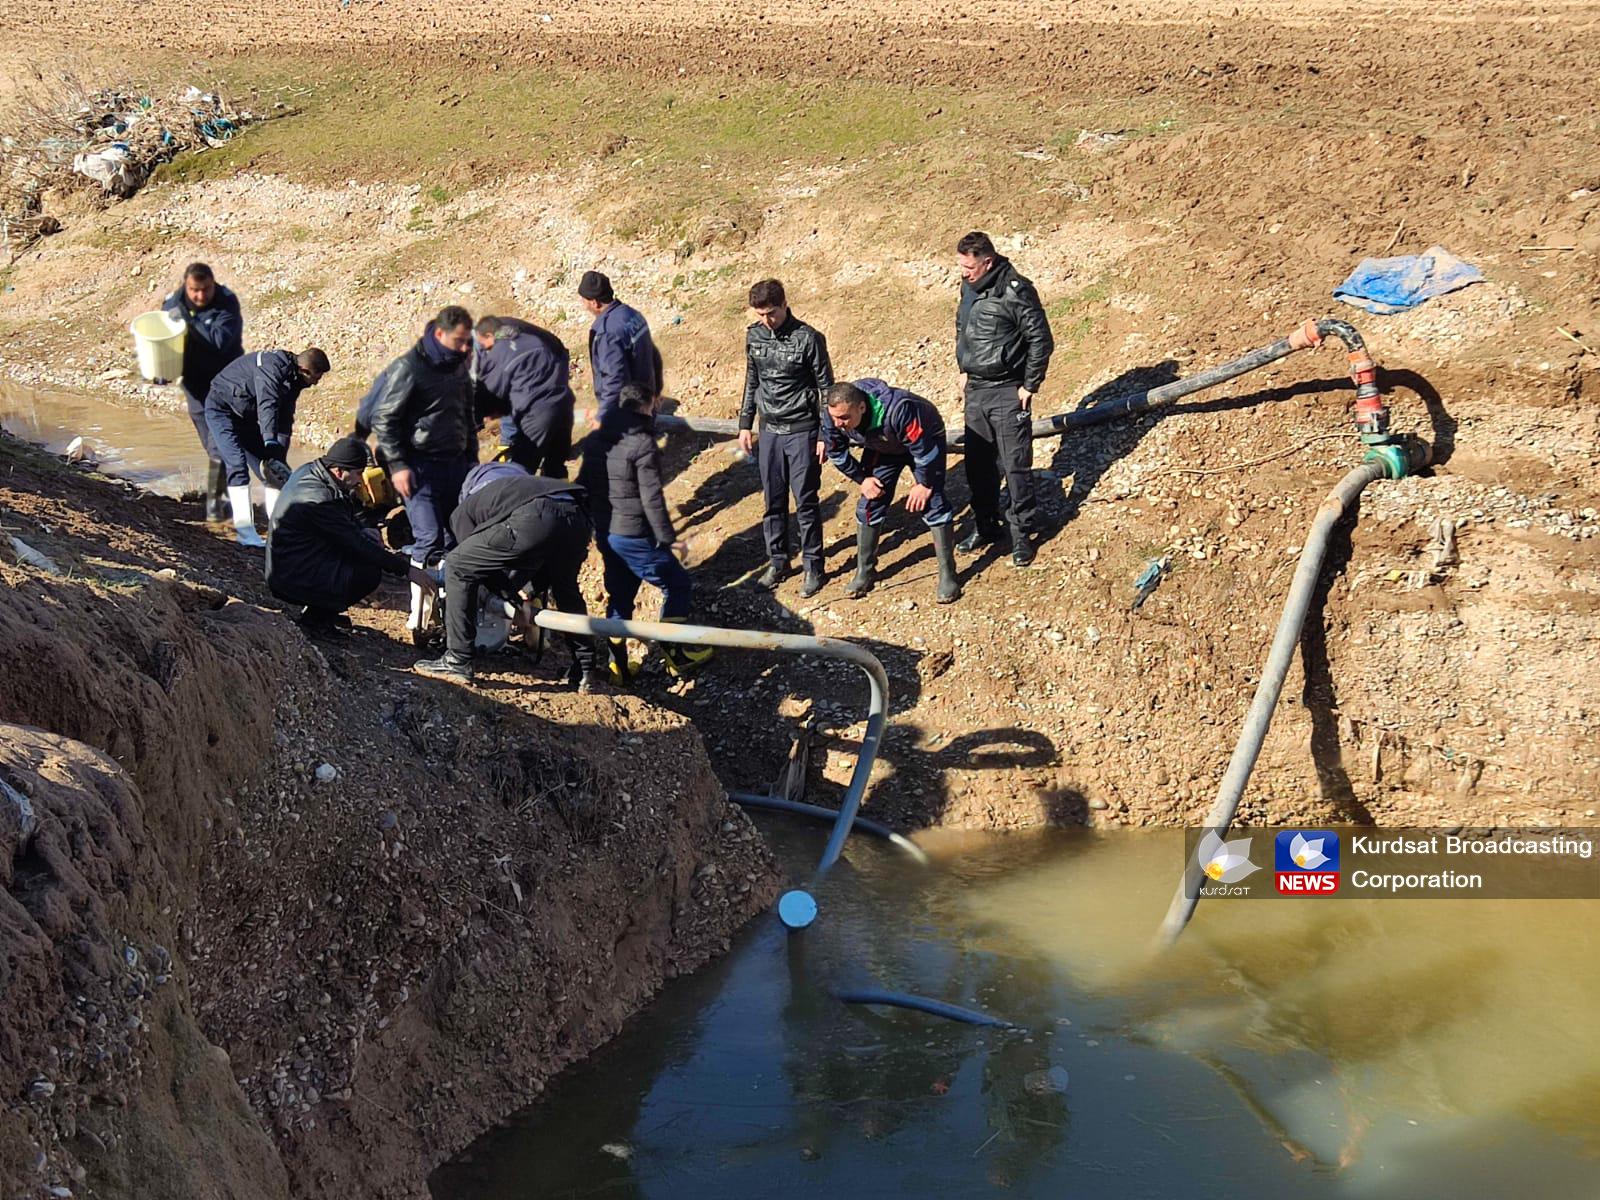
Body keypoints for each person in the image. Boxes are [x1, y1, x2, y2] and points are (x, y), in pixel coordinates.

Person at [413, 463, 605, 692]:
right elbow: (541, 566)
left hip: (536, 514)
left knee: (456, 565)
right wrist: (523, 594)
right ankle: (584, 669)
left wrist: (510, 596)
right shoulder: (519, 487)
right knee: (565, 588)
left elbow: (472, 570)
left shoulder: (463, 511)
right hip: (578, 516)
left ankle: (457, 660)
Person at [579, 383, 712, 683]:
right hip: (635, 535)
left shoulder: (595, 440)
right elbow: (651, 498)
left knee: (620, 595)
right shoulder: (641, 444)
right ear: (645, 408)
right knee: (677, 584)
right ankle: (675, 653)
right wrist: (666, 537)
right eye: (653, 407)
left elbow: (584, 487)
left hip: (606, 534)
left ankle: (619, 667)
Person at [369, 306, 479, 641]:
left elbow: (468, 417)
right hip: (418, 466)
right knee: (428, 539)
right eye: (459, 342)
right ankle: (416, 619)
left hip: (455, 464)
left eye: (467, 343)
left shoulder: (460, 370)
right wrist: (397, 465)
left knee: (455, 539)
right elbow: (384, 420)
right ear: (439, 336)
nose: (464, 349)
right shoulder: (410, 369)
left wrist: (472, 463)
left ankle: (449, 619)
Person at [264, 436, 435, 634]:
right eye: (358, 473)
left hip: (291, 561)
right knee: (366, 572)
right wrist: (407, 570)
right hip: (289, 576)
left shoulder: (311, 470)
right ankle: (316, 621)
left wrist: (362, 529)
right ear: (338, 471)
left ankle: (320, 611)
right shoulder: (320, 500)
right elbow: (356, 545)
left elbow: (342, 519)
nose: (360, 480)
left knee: (356, 555)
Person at [953, 230, 1054, 567]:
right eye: (962, 267)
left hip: (1008, 390)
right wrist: (963, 366)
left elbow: (1041, 339)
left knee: (1015, 466)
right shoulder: (968, 287)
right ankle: (985, 525)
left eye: (969, 267)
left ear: (988, 261)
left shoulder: (1016, 289)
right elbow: (962, 326)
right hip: (976, 390)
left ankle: (1022, 532)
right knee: (978, 466)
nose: (964, 273)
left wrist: (1029, 385)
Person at [823, 379, 961, 604]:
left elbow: (924, 452)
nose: (839, 423)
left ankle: (948, 574)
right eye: (835, 418)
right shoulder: (833, 414)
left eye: (845, 418)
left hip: (925, 439)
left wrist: (924, 484)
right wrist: (862, 479)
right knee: (870, 503)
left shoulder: (899, 410)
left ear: (861, 407)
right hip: (882, 445)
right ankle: (865, 572)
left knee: (932, 502)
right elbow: (837, 453)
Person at [738, 278, 832, 596]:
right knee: (772, 501)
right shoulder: (754, 336)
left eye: (772, 313)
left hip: (801, 429)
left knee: (805, 500)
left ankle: (813, 567)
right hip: (769, 430)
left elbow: (826, 388)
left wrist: (824, 434)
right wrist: (744, 424)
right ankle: (778, 561)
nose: (767, 320)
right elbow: (752, 381)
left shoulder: (809, 338)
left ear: (784, 304)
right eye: (760, 314)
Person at [204, 346, 329, 547]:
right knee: (237, 465)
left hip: (245, 416)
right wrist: (269, 441)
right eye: (317, 377)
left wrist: (278, 452)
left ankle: (277, 530)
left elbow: (285, 414)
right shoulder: (272, 367)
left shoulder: (295, 379)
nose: (316, 383)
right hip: (221, 410)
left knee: (271, 471)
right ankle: (245, 533)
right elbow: (267, 404)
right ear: (305, 369)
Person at [163, 262, 243, 521]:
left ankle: (215, 507)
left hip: (225, 384)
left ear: (213, 284)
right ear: (186, 285)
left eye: (205, 290)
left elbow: (217, 342)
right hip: (195, 387)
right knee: (212, 446)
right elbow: (164, 339)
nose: (199, 296)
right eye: (194, 290)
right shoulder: (175, 302)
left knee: (220, 444)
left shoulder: (226, 303)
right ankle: (228, 498)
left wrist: (186, 323)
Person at [473, 314, 575, 477]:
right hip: (526, 361)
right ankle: (513, 455)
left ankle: (550, 466)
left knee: (546, 415)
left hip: (551, 355)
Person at [577, 271, 657, 425]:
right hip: (645, 398)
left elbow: (614, 380)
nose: (583, 304)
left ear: (595, 303)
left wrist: (603, 416)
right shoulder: (632, 314)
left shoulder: (608, 333)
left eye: (584, 300)